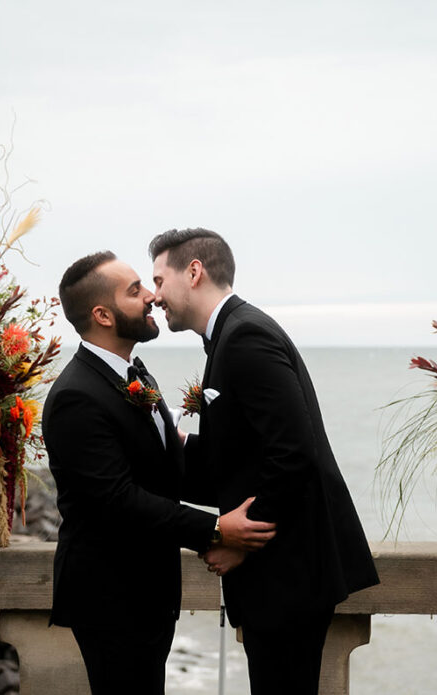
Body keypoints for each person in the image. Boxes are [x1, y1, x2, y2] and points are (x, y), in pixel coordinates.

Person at [148, 229, 380, 694]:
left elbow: (294, 452)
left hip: (287, 573)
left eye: (159, 280)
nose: (155, 297)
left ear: (194, 272)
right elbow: (238, 459)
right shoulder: (230, 335)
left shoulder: (245, 336)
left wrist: (242, 540)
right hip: (285, 575)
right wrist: (169, 446)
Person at [42, 251, 276, 695]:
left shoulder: (136, 376)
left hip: (147, 591)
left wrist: (253, 481)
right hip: (110, 596)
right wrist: (214, 529)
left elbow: (167, 470)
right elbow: (118, 501)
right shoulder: (76, 396)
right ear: (102, 315)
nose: (152, 296)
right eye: (135, 291)